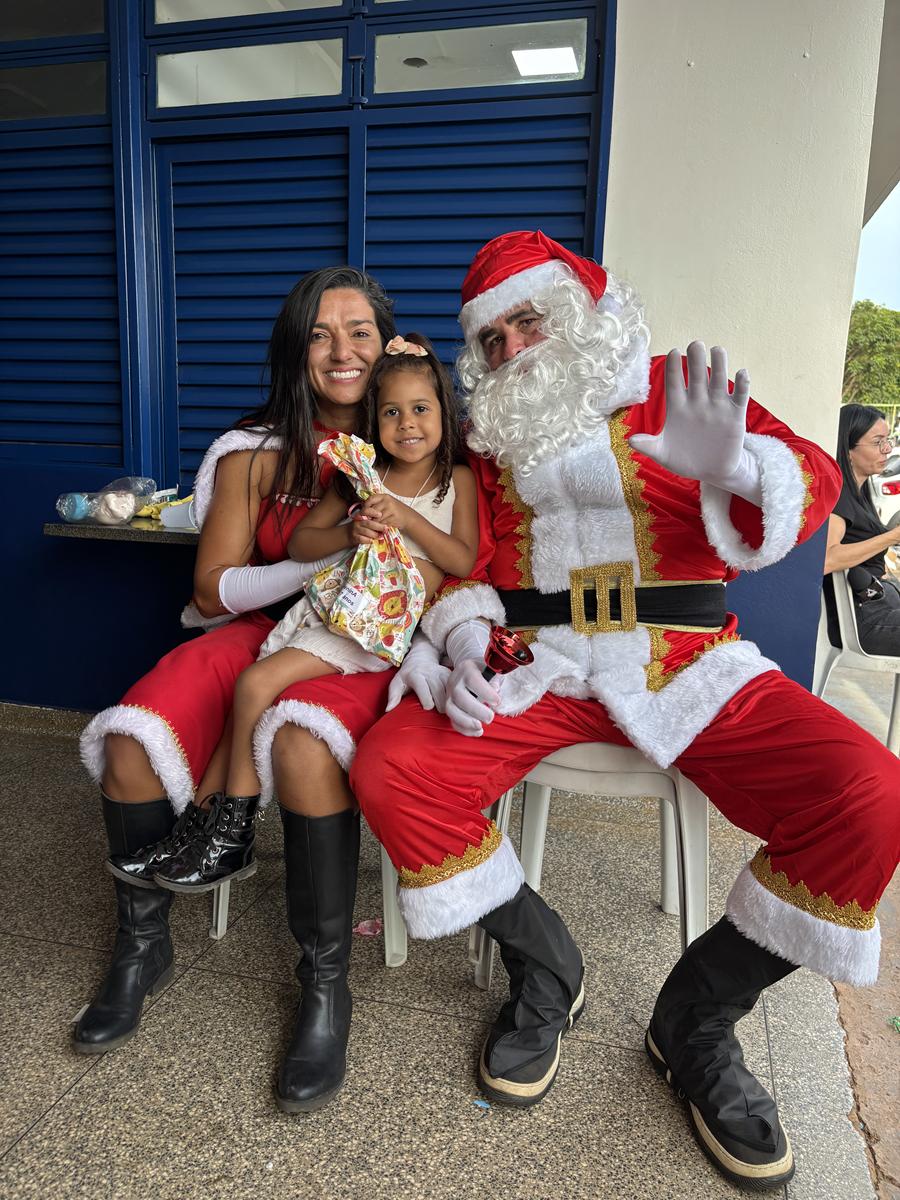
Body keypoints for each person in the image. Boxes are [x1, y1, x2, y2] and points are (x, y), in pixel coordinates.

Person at [350, 231, 900, 1191]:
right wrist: (468, 636)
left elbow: (810, 476)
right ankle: (546, 969)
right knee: (393, 768)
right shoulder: (490, 444)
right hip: (544, 662)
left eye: (529, 322)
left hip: (686, 658)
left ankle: (696, 1018)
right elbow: (471, 566)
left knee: (872, 794)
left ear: (578, 314)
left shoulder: (671, 388)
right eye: (492, 341)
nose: (513, 351)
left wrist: (737, 469)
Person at [76, 266, 435, 1115]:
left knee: (304, 742)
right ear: (294, 351)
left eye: (359, 331)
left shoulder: (422, 433)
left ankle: (325, 984)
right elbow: (211, 593)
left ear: (388, 343)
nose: (342, 351)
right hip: (265, 625)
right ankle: (143, 946)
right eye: (320, 334)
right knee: (129, 743)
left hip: (374, 641)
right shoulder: (253, 452)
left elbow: (465, 556)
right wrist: (331, 552)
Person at [150, 334, 478, 891]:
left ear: (444, 413)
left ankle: (235, 833)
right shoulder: (360, 474)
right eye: (391, 412)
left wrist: (408, 520)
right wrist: (350, 532)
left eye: (421, 409)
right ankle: (199, 827)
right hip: (326, 609)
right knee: (243, 707)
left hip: (374, 627)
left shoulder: (456, 480)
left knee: (254, 684)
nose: (407, 424)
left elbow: (462, 560)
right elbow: (301, 543)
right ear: (373, 419)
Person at [824, 403, 900, 653]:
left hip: (879, 603)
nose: (887, 449)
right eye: (878, 442)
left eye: (887, 440)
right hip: (864, 620)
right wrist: (893, 536)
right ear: (848, 450)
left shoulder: (860, 494)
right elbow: (827, 559)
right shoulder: (840, 497)